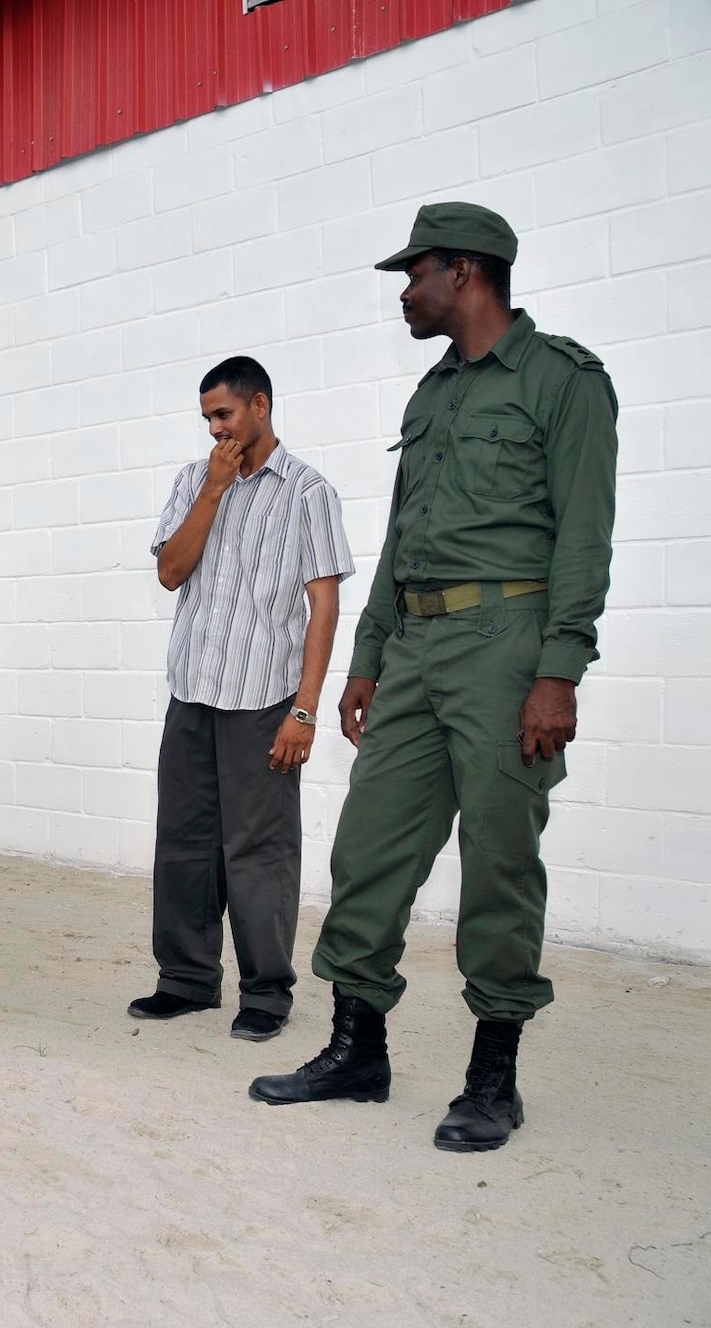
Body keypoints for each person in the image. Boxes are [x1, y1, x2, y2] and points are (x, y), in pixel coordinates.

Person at [250, 203, 619, 1153]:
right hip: (413, 647)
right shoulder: (433, 394)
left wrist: (559, 671)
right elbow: (401, 539)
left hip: (509, 642)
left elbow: (584, 537)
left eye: (414, 276)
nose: (405, 294)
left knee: (499, 859)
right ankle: (356, 1050)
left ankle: (493, 1079)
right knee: (368, 849)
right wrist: (368, 655)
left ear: (466, 272)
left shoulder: (562, 382)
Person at [135, 357, 355, 1042]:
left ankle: (265, 993)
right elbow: (172, 573)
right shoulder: (193, 481)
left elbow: (323, 608)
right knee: (183, 845)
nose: (215, 429)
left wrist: (304, 708)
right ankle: (187, 980)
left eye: (224, 414)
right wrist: (212, 491)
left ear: (259, 405)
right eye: (207, 418)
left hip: (264, 701)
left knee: (259, 850)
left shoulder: (308, 493)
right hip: (192, 691)